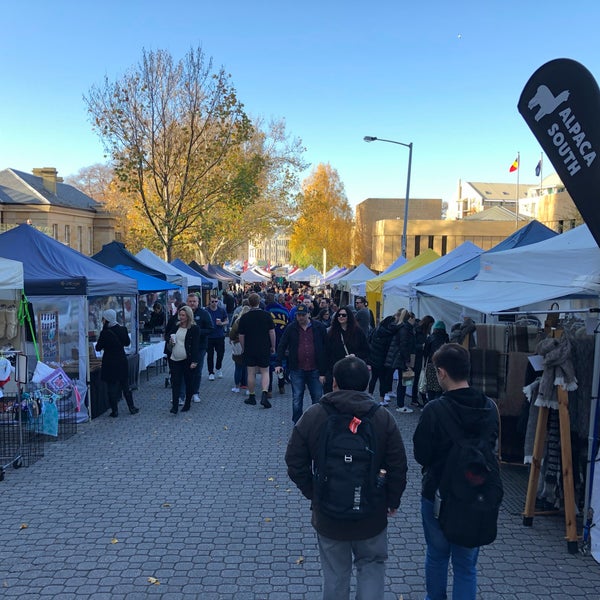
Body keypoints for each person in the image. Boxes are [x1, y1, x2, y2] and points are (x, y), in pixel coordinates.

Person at [285, 356, 408, 600]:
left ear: (334, 383)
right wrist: (392, 500)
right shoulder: (382, 418)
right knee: (372, 565)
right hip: (372, 512)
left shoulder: (314, 415)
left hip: (329, 514)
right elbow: (398, 465)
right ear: (367, 383)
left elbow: (294, 460)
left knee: (335, 574)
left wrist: (314, 491)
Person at [413, 343, 499, 600]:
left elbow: (421, 454)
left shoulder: (434, 409)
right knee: (466, 566)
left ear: (442, 373)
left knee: (437, 556)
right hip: (477, 493)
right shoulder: (489, 406)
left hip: (438, 492)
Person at [275, 304, 327, 424]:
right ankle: (297, 423)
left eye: (303, 315)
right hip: (297, 368)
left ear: (309, 314)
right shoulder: (291, 328)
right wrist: (278, 363)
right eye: (298, 315)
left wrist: (324, 371)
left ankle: (317, 423)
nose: (301, 317)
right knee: (297, 397)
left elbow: (326, 347)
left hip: (315, 368)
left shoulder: (318, 327)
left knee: (317, 397)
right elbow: (282, 345)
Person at [95, 309, 139, 418]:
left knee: (111, 387)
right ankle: (131, 407)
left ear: (106, 319)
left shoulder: (104, 333)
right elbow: (127, 343)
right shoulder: (122, 329)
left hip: (109, 362)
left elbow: (98, 347)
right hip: (121, 360)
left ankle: (114, 411)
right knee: (125, 385)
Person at [238, 293, 276, 409]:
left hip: (250, 347)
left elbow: (241, 335)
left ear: (249, 303)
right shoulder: (267, 315)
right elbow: (272, 332)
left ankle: (252, 396)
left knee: (251, 372)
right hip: (264, 347)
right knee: (265, 371)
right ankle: (264, 393)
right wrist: (273, 346)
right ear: (259, 302)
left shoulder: (244, 317)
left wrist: (244, 348)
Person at [324, 306, 369, 393]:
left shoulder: (358, 332)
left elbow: (366, 351)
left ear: (349, 317)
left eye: (344, 315)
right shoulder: (331, 332)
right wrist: (325, 372)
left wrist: (355, 356)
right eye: (339, 315)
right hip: (335, 370)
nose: (341, 317)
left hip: (351, 371)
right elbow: (326, 352)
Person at [167, 305, 201, 414]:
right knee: (175, 382)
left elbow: (196, 346)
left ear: (188, 316)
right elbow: (169, 337)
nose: (180, 317)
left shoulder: (194, 329)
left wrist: (195, 361)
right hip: (174, 358)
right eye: (179, 315)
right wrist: (170, 342)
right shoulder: (176, 326)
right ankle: (175, 406)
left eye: (183, 315)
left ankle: (187, 403)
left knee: (188, 382)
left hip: (187, 359)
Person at [385, 308, 416, 414]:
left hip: (398, 357)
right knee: (403, 382)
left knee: (402, 381)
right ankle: (401, 405)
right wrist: (407, 360)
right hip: (401, 358)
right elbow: (404, 345)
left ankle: (400, 403)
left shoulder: (400, 327)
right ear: (410, 318)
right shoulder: (405, 329)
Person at [367, 314, 399, 406]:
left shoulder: (376, 330)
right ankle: (381, 400)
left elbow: (369, 341)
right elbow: (389, 349)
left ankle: (370, 396)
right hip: (383, 360)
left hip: (373, 358)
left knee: (373, 378)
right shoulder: (389, 334)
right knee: (382, 380)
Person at [423, 321, 450, 403]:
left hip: (431, 364)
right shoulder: (446, 338)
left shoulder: (430, 338)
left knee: (430, 387)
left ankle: (430, 405)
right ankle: (439, 405)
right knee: (439, 387)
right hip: (443, 365)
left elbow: (425, 352)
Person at [412, 315, 435, 407]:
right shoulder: (419, 331)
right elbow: (413, 344)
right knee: (416, 379)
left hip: (421, 358)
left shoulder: (421, 330)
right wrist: (421, 346)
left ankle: (417, 398)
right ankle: (415, 398)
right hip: (418, 358)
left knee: (418, 379)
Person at [206, 296, 229, 380]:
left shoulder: (221, 310)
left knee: (220, 353)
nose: (214, 303)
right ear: (209, 302)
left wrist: (222, 323)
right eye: (212, 302)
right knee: (210, 355)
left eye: (216, 301)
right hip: (209, 336)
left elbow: (227, 320)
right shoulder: (206, 310)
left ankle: (218, 368)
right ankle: (210, 372)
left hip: (219, 335)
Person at [229, 305, 250, 393]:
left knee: (238, 367)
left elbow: (232, 335)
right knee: (249, 368)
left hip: (238, 346)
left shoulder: (237, 321)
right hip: (250, 346)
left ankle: (237, 387)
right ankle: (248, 388)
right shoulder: (252, 322)